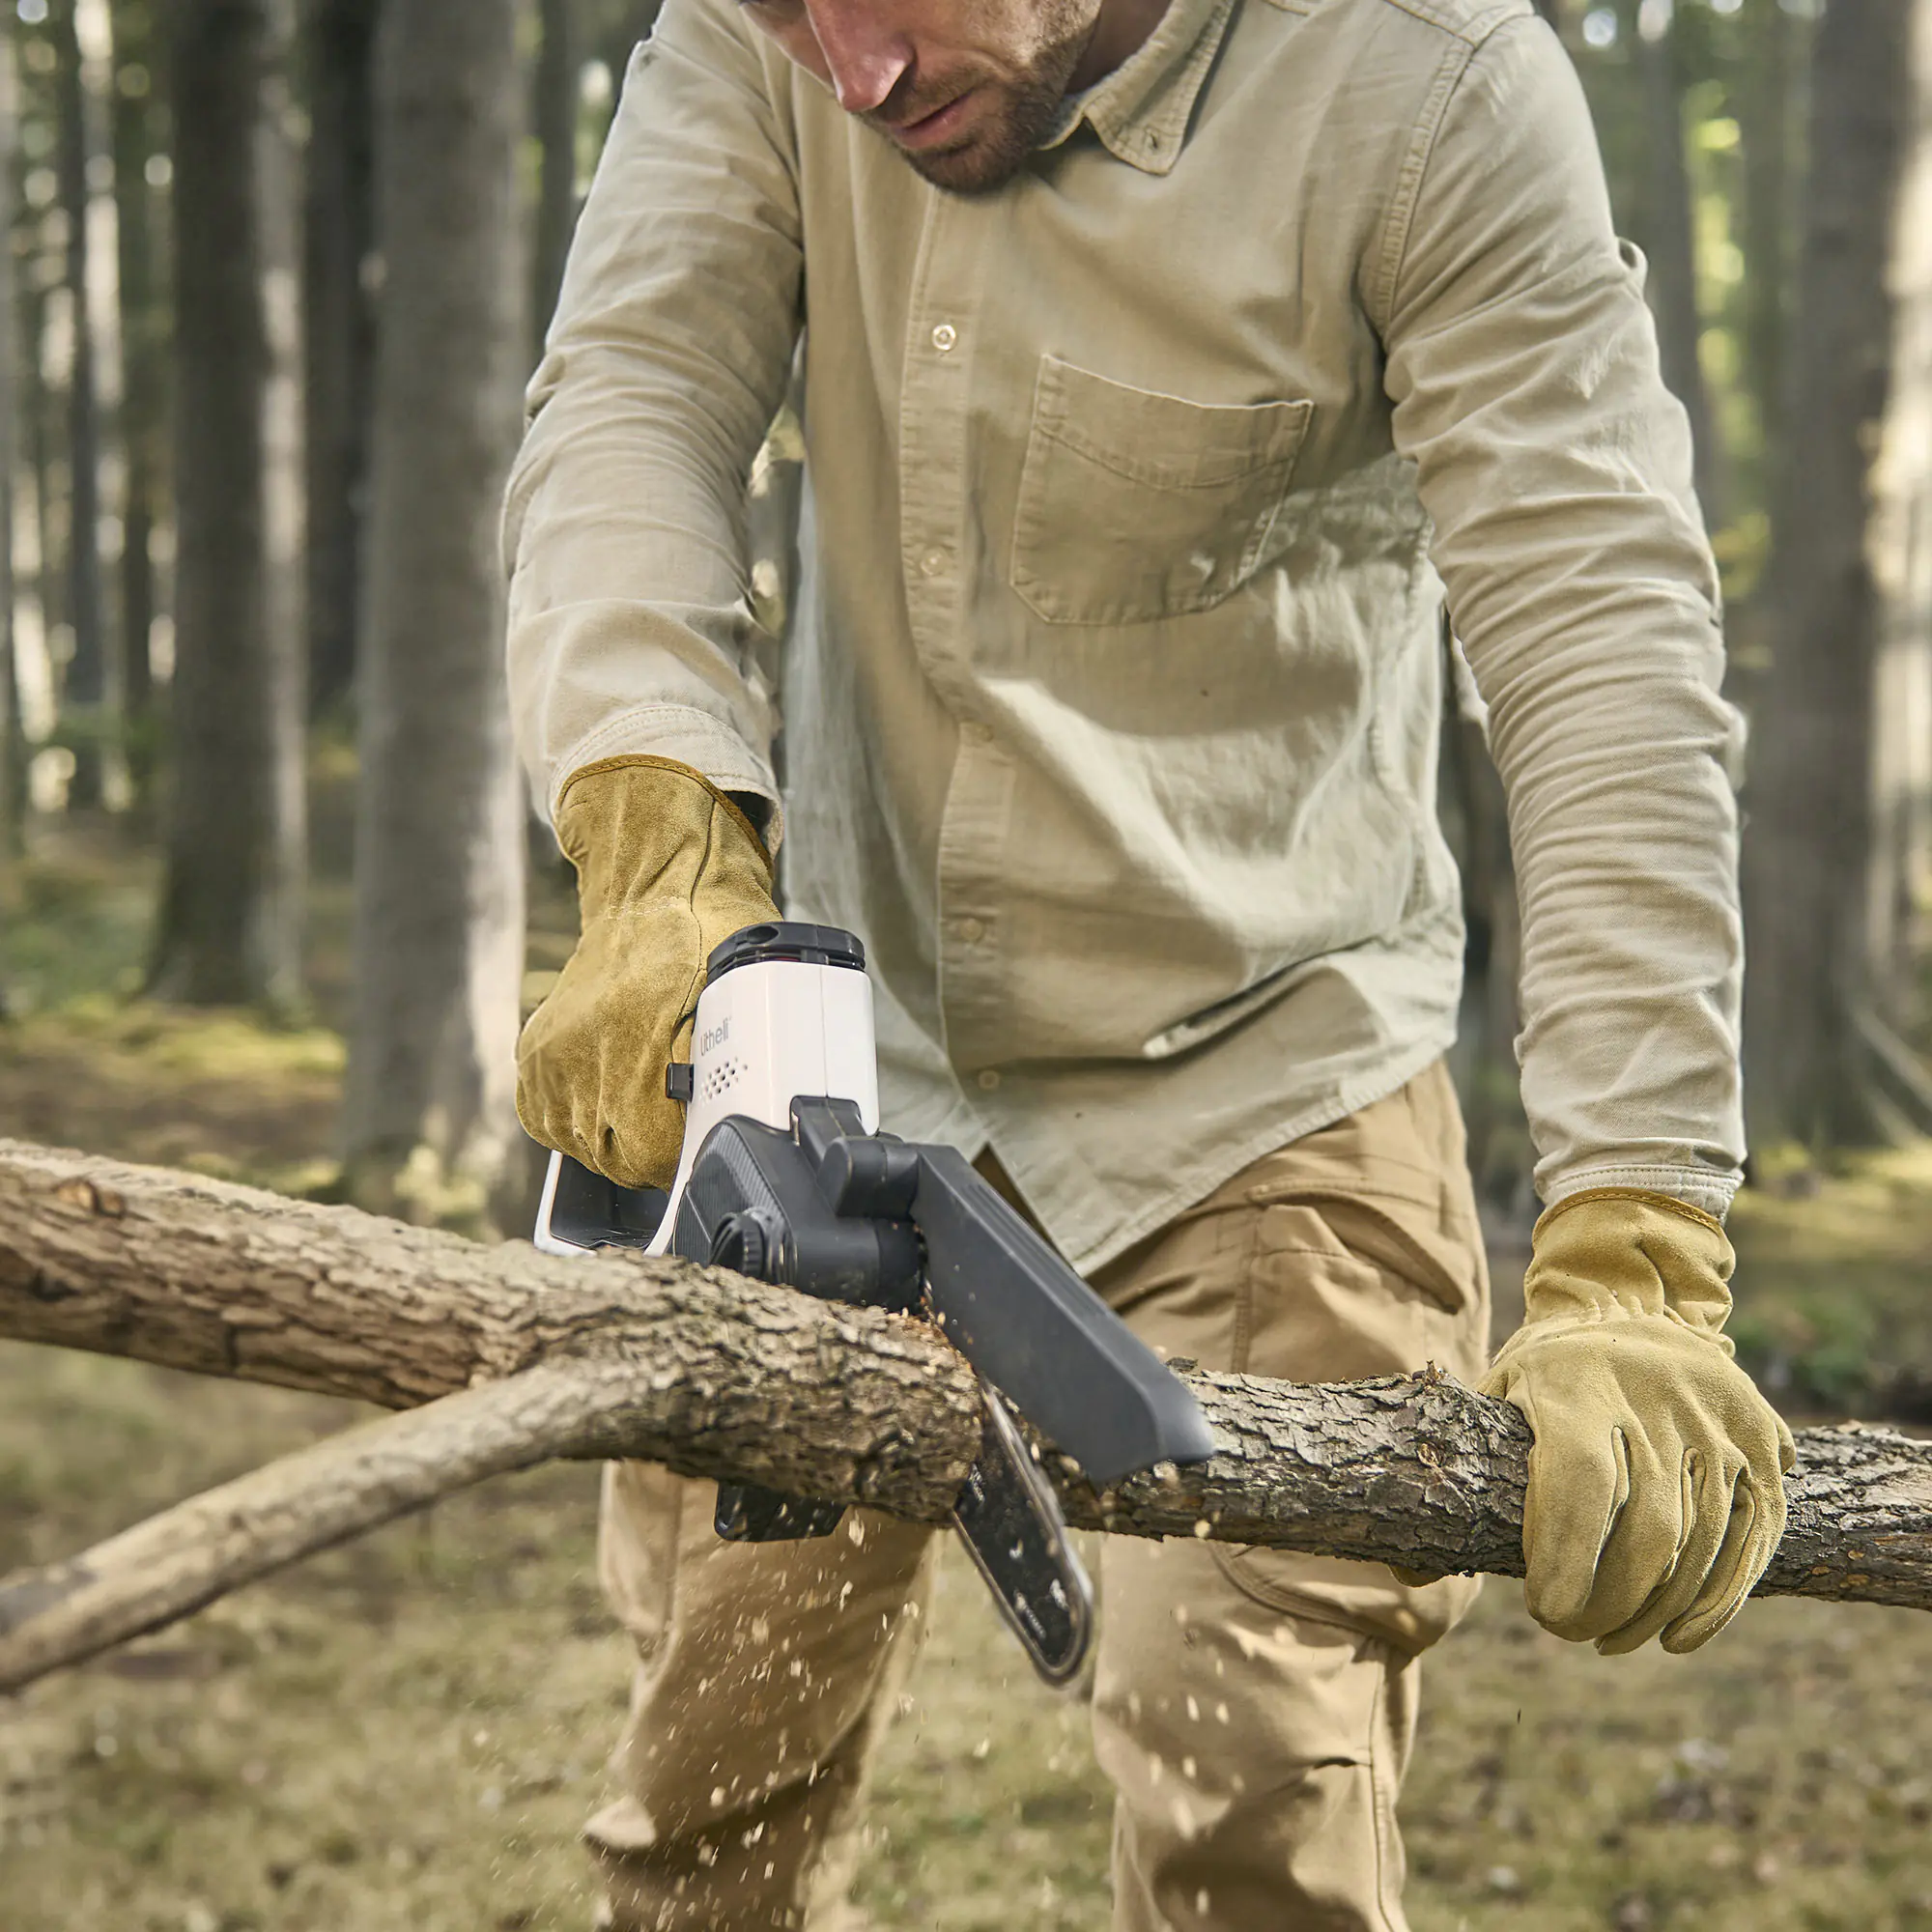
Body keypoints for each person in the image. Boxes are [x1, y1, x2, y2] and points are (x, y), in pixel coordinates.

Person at [504, 0, 1792, 1923]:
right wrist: (656, 827)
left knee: (1248, 1798)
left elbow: (1599, 643)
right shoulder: (762, 36)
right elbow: (629, 400)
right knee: (710, 1796)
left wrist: (1634, 1235)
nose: (844, 73)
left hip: (1263, 1077)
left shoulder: (1422, 84)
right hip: (826, 1068)